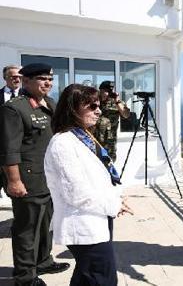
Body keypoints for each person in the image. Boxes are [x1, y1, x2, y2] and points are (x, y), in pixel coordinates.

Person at [44, 84, 133, 286]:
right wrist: (114, 205)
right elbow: (76, 193)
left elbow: (101, 172)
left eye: (98, 105)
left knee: (88, 277)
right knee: (102, 277)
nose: (99, 110)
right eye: (92, 106)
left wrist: (116, 196)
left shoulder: (82, 135)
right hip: (82, 224)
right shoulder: (63, 144)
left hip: (95, 217)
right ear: (73, 109)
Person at [0, 63, 70, 286]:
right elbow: (8, 149)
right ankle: (25, 276)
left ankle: (43, 260)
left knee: (46, 223)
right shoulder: (14, 108)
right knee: (26, 229)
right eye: (41, 79)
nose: (47, 83)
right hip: (28, 179)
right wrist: (14, 181)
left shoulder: (50, 103)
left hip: (49, 178)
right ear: (26, 81)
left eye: (49, 79)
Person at [94, 81, 130, 162]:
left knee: (109, 163)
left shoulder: (116, 102)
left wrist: (117, 101)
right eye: (106, 91)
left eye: (110, 91)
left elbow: (126, 115)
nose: (108, 93)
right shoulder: (95, 101)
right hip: (95, 139)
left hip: (110, 140)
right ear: (100, 91)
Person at [0, 65, 22, 199]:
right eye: (13, 76)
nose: (17, 79)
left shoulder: (29, 97)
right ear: (5, 78)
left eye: (20, 76)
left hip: (18, 151)